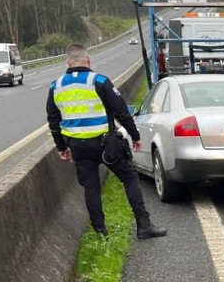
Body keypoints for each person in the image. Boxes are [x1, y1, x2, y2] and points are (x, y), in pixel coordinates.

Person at [45, 43, 167, 239]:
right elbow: (120, 111)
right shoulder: (99, 81)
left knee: (91, 188)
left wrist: (62, 147)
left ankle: (101, 233)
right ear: (88, 60)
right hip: (105, 144)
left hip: (77, 146)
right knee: (129, 177)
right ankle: (144, 226)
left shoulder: (56, 86)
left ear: (68, 62)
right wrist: (135, 136)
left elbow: (53, 120)